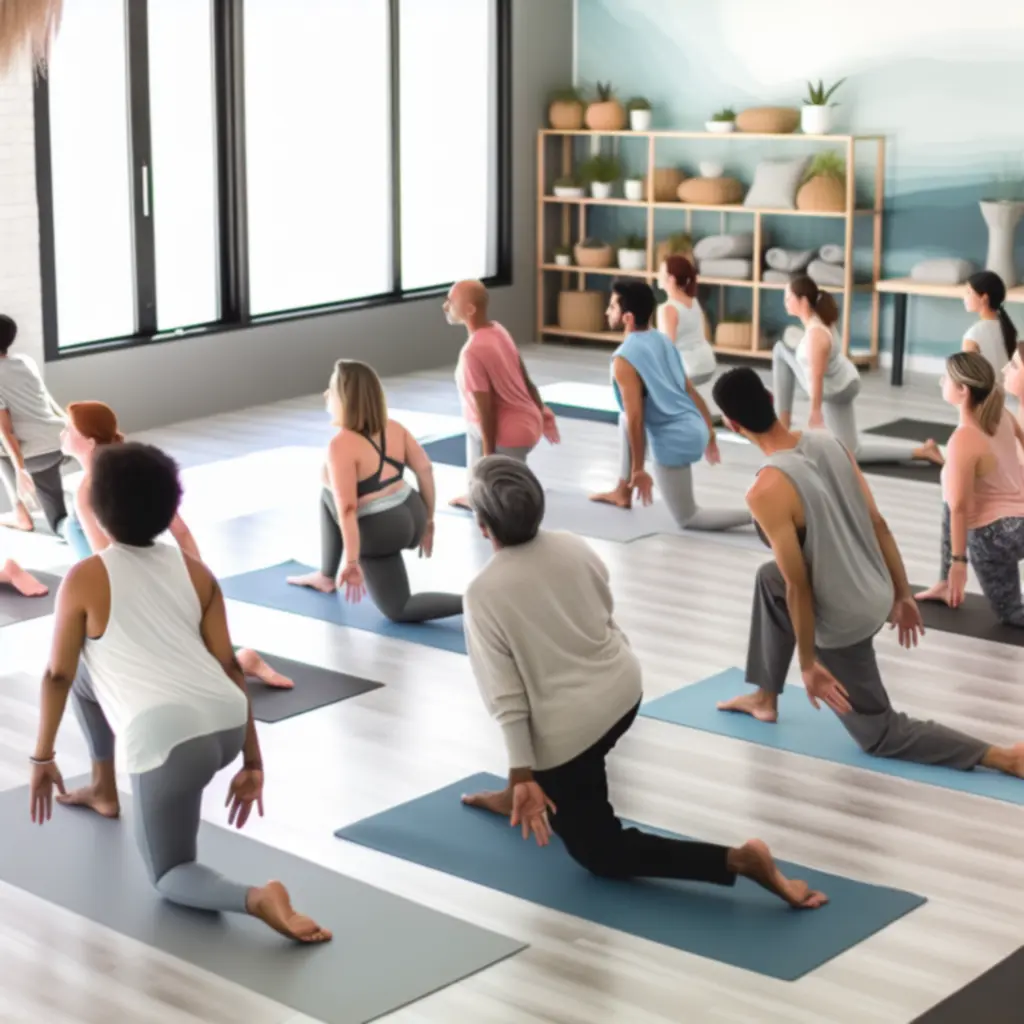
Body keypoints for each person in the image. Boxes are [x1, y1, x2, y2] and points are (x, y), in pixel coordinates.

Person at [460, 455, 826, 910]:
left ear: (483, 526)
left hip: (570, 735)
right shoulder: (573, 545)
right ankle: (528, 787)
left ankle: (739, 861)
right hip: (624, 692)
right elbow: (604, 611)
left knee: (600, 854)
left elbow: (508, 700)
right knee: (561, 757)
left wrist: (523, 775)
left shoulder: (482, 594)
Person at [28, 442, 331, 944]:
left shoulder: (84, 577)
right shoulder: (196, 571)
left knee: (170, 874)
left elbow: (54, 675)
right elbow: (229, 666)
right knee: (87, 676)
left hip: (168, 742)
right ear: (170, 508)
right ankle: (103, 787)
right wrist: (252, 762)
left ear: (96, 510)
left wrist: (42, 757)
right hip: (227, 723)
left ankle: (257, 898)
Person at [710, 366, 1024, 777]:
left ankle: (1002, 757)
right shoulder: (828, 442)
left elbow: (799, 586)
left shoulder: (764, 491)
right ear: (771, 400)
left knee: (880, 734)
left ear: (733, 425)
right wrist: (901, 594)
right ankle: (764, 698)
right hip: (877, 588)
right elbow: (879, 524)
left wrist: (808, 664)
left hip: (846, 616)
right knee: (769, 578)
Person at [61, 401, 292, 689]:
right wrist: (195, 576)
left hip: (124, 587)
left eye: (68, 429)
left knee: (168, 657)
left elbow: (106, 557)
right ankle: (240, 660)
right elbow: (180, 531)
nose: (62, 434)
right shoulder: (129, 471)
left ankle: (242, 661)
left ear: (89, 441)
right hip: (141, 577)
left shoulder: (88, 491)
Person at [286, 360, 463, 622]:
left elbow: (347, 508)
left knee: (399, 608)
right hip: (412, 511)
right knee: (327, 493)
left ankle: (473, 600)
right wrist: (428, 520)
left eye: (331, 389)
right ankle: (325, 575)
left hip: (383, 530)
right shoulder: (395, 427)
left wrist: (352, 562)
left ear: (346, 399)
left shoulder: (341, 445)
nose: (326, 394)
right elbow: (425, 470)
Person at [589, 279, 751, 531]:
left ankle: (758, 516)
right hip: (694, 425)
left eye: (612, 307)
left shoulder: (624, 359)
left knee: (689, 518)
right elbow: (689, 390)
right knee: (623, 418)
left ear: (628, 318)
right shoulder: (662, 340)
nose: (606, 312)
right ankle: (622, 491)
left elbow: (637, 418)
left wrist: (639, 469)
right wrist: (709, 432)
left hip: (675, 439)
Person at [772, 277, 943, 467]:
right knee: (853, 452)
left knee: (780, 350)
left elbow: (817, 377)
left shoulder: (816, 335)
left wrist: (815, 412)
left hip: (832, 389)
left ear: (803, 301)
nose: (785, 303)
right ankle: (923, 451)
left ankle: (782, 431)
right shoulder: (820, 320)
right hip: (844, 383)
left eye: (788, 298)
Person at [916, 353, 1024, 624]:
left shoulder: (963, 438)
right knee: (951, 491)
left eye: (946, 378)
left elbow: (960, 508)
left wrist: (958, 563)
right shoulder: (1001, 414)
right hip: (1019, 524)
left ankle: (1011, 608)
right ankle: (944, 585)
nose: (941, 381)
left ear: (963, 390)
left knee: (1012, 615)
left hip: (999, 537)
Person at [443, 280, 559, 510]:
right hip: (530, 422)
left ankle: (485, 490)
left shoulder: (471, 352)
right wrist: (543, 412)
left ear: (470, 309)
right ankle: (476, 494)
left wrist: (489, 462)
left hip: (511, 434)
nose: (445, 306)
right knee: (471, 427)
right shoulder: (498, 330)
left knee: (510, 502)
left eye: (451, 301)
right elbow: (526, 380)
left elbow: (486, 412)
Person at [0, 313, 70, 534]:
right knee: (58, 516)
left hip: (32, 454)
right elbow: (47, 402)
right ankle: (72, 527)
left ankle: (20, 512)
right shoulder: (26, 362)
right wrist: (72, 427)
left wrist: (20, 470)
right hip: (58, 440)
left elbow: (5, 430)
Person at [656, 255, 716, 387]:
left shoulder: (668, 309)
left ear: (671, 279)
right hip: (707, 363)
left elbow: (667, 348)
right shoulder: (694, 301)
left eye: (661, 272)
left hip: (688, 368)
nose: (658, 275)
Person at [962, 270, 1017, 376]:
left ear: (984, 298)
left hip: (987, 387)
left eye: (968, 292)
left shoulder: (973, 335)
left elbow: (968, 378)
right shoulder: (1006, 327)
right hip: (1007, 386)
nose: (964, 297)